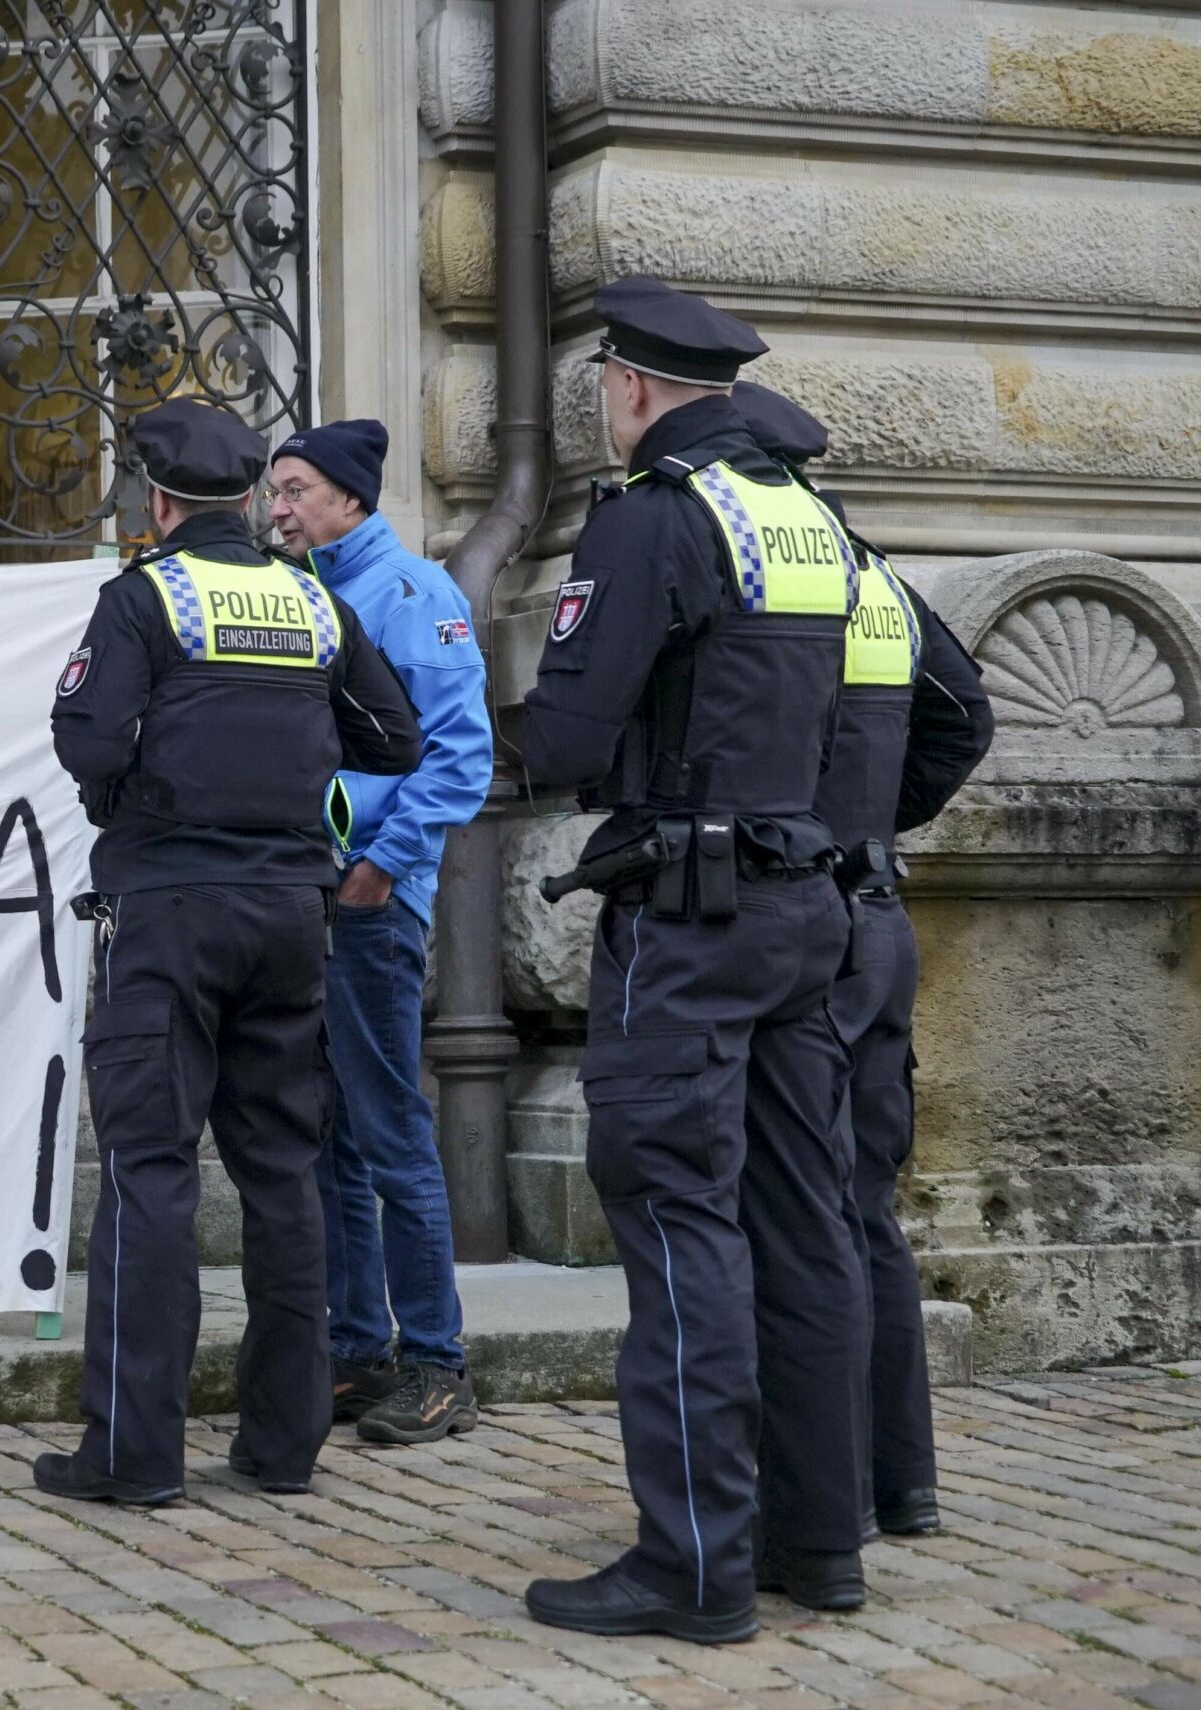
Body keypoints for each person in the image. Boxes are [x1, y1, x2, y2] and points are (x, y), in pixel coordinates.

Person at [514, 278, 861, 1644]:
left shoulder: (655, 519)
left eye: (603, 379)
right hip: (805, 899)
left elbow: (573, 734)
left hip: (692, 915)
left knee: (676, 1223)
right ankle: (817, 1543)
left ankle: (697, 1565)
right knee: (800, 1220)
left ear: (634, 387)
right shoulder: (810, 517)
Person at [40, 399, 422, 1505]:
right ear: (252, 497)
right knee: (284, 1175)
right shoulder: (309, 599)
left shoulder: (143, 596)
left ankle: (132, 1457)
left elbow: (87, 739)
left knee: (151, 1173)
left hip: (167, 910)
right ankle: (283, 1445)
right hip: (289, 919)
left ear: (158, 501)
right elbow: (393, 736)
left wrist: (133, 794)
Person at [731, 381, 994, 1543]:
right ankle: (903, 1481)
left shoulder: (759, 573)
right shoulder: (876, 574)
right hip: (878, 912)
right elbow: (963, 720)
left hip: (798, 922)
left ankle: (816, 1503)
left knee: (796, 1220)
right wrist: (882, 824)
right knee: (863, 1211)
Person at [265, 420, 492, 1443]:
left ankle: (439, 1366)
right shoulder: (304, 589)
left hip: (367, 906)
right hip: (309, 898)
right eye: (273, 491)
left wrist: (377, 869)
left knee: (391, 1131)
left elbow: (460, 758)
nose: (278, 509)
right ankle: (358, 1352)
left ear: (351, 499)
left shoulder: (412, 594)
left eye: (297, 490)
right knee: (331, 1140)